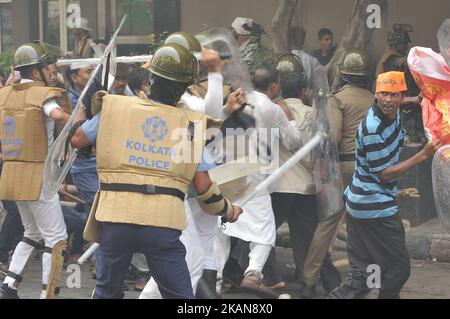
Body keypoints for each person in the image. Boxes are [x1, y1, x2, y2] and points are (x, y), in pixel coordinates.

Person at [70, 43, 243, 299]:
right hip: (161, 224)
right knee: (180, 296)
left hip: (116, 217)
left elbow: (77, 139)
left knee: (106, 292)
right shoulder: (192, 126)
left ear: (151, 79)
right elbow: (204, 187)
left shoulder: (115, 108)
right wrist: (229, 210)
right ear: (184, 86)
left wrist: (86, 112)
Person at [329, 71, 441, 299]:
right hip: (373, 207)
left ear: (402, 95)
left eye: (394, 95)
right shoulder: (373, 128)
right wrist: (422, 155)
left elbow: (401, 102)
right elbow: (385, 174)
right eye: (383, 94)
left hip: (364, 205)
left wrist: (416, 100)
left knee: (369, 273)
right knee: (397, 269)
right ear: (375, 95)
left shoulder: (395, 110)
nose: (388, 100)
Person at [216, 63, 305, 297]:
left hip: (225, 172)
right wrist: (289, 117)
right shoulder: (272, 108)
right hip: (254, 178)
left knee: (222, 229)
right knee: (265, 232)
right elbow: (293, 141)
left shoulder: (237, 98)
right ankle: (253, 274)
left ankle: (214, 280)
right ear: (274, 86)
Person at [299, 48, 374, 298]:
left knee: (329, 223)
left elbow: (335, 137)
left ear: (343, 73)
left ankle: (308, 281)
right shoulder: (374, 98)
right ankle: (364, 278)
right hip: (370, 169)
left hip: (344, 166)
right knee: (362, 225)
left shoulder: (337, 99)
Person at [0, 42, 72, 299]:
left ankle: (9, 286)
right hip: (38, 175)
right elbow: (58, 115)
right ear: (38, 70)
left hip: (11, 175)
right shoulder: (44, 95)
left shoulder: (6, 93)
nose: (51, 72)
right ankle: (48, 294)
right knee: (57, 239)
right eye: (47, 68)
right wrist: (80, 118)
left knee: (31, 232)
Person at [375, 23, 424, 144]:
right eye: (404, 43)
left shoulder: (384, 59)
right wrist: (414, 99)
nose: (407, 46)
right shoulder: (400, 63)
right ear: (396, 44)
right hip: (404, 113)